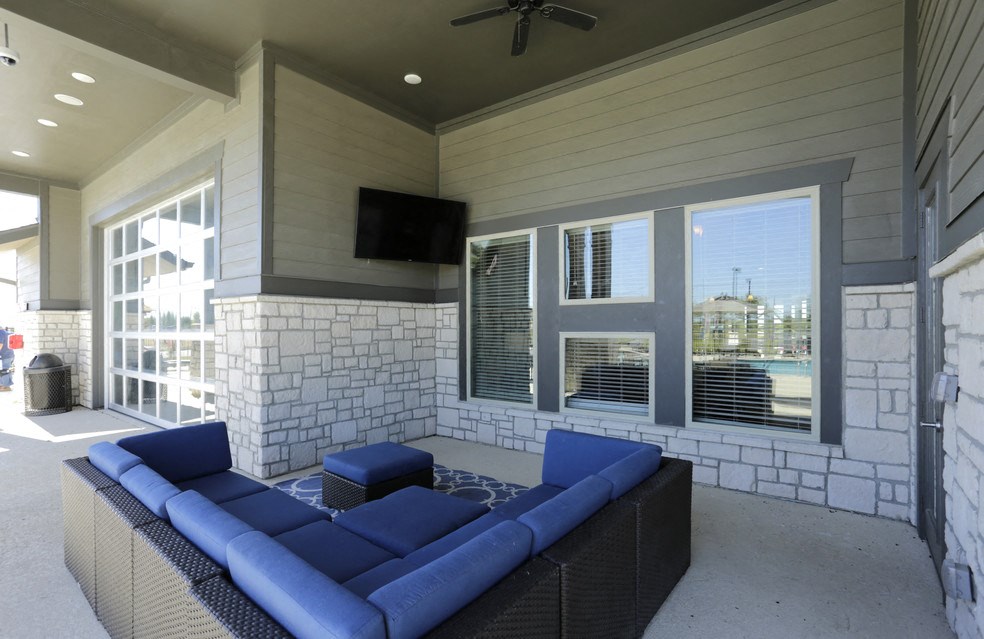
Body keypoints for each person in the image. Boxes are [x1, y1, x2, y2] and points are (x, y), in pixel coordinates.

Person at [0, 326, 14, 392]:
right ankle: (3, 386)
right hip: (10, 354)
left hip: (5, 355)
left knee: (4, 371)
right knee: (6, 370)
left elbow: (0, 344)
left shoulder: (1, 333)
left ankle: (5, 387)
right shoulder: (7, 332)